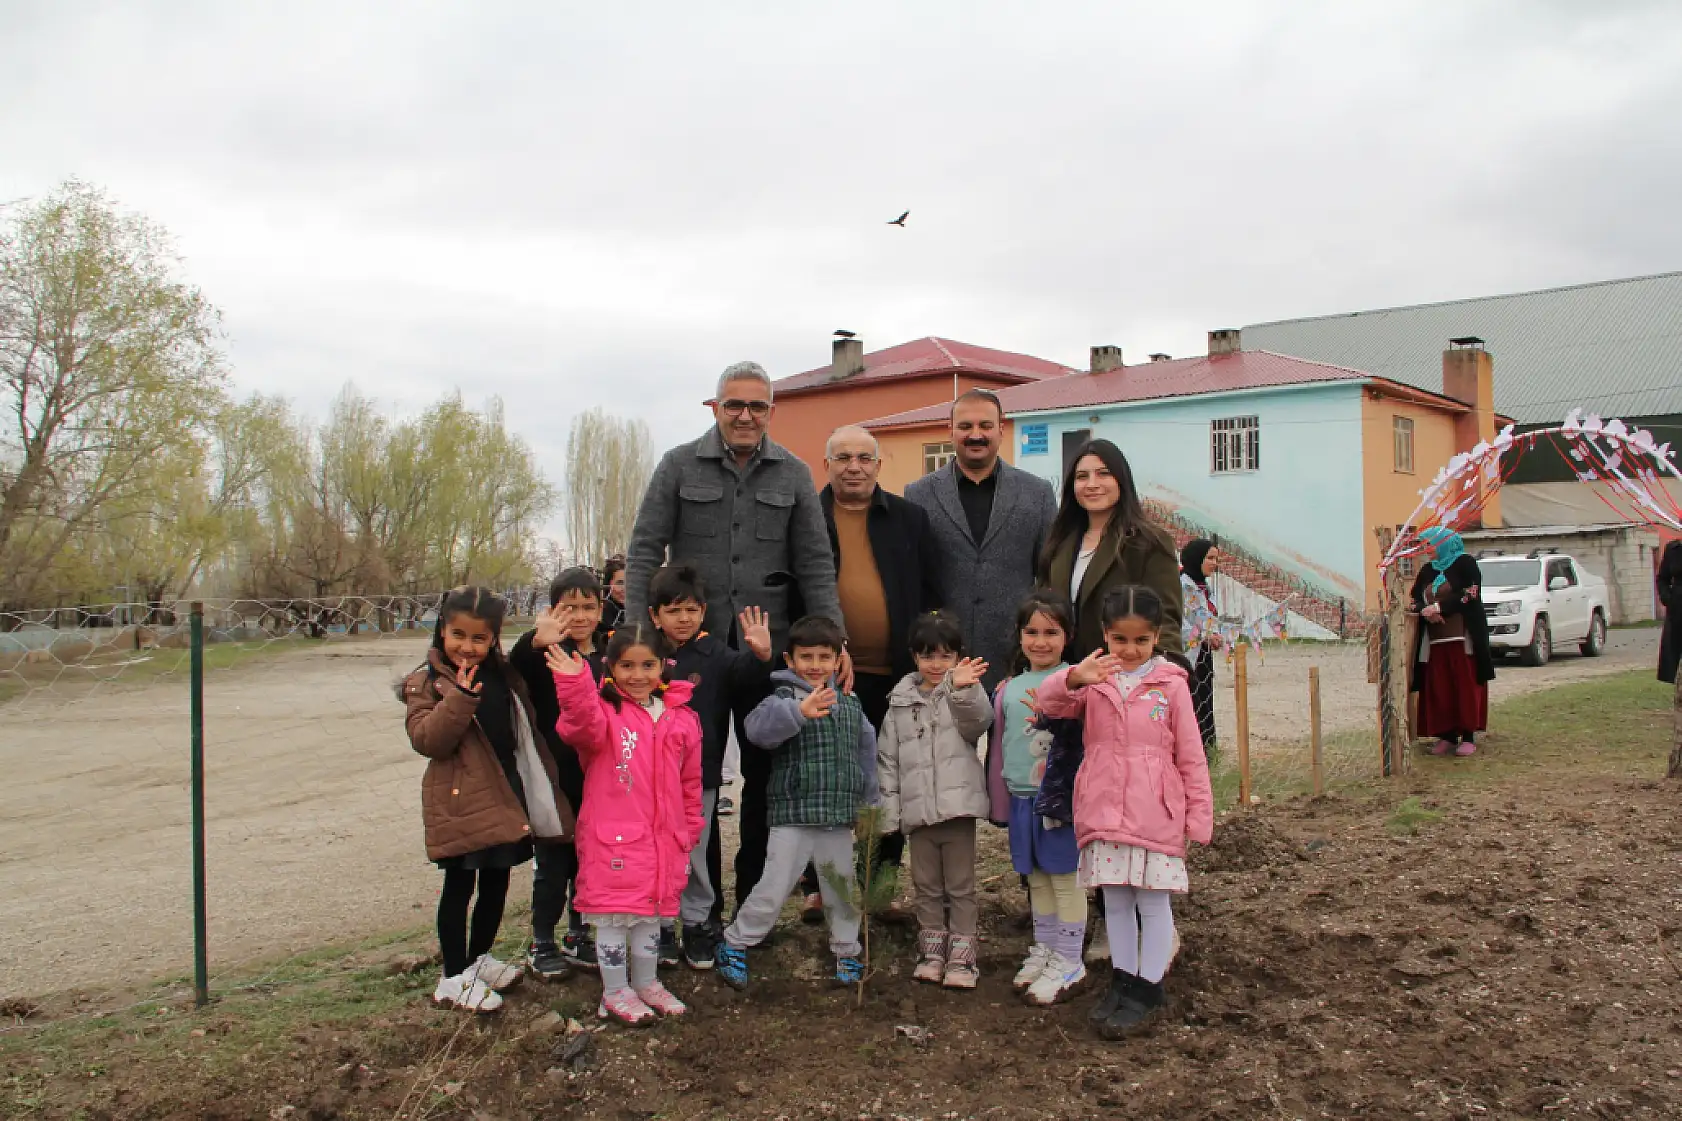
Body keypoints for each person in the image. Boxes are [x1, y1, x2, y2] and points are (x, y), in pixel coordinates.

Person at [624, 360, 846, 917]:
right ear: (715, 407)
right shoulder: (677, 466)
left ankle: (752, 905)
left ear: (772, 410)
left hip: (761, 654)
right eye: (734, 405)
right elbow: (646, 550)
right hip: (685, 655)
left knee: (764, 774)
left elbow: (816, 562)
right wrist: (638, 638)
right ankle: (690, 907)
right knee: (686, 777)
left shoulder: (793, 474)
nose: (745, 416)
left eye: (757, 406)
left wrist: (834, 638)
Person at [1033, 586, 1213, 1040]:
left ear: (1156, 638)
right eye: (1119, 640)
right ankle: (1124, 979)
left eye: (1140, 641)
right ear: (1105, 636)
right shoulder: (1094, 679)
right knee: (1115, 899)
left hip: (1155, 811)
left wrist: (1197, 817)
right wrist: (1074, 676)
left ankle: (1149, 987)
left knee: (1152, 902)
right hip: (1103, 809)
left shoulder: (1171, 685)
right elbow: (1048, 704)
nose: (1129, 651)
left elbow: (1191, 755)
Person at [402, 587, 574, 1014]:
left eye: (479, 638)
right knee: (460, 886)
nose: (467, 646)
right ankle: (453, 976)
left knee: (497, 881)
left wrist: (540, 636)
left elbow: (527, 664)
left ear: (493, 639)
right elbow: (428, 741)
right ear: (441, 630)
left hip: (504, 794)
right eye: (458, 635)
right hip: (463, 802)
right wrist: (459, 699)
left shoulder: (502, 673)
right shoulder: (427, 682)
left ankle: (479, 958)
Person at [797, 424, 943, 919]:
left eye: (864, 457)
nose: (853, 466)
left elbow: (931, 592)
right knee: (828, 779)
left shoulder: (909, 519)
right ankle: (821, 885)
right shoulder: (806, 518)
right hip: (823, 677)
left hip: (897, 675)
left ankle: (878, 884)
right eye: (843, 457)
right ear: (827, 465)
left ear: (879, 466)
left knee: (889, 780)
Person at [547, 620, 703, 1025]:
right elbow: (578, 725)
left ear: (663, 665)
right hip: (613, 840)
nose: (637, 676)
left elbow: (691, 781)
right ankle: (615, 990)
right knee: (614, 918)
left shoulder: (681, 717)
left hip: (662, 840)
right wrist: (574, 683)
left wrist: (688, 830)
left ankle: (647, 982)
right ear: (610, 666)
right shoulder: (603, 712)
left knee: (650, 915)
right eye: (627, 666)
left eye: (647, 665)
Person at [714, 615, 875, 991]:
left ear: (838, 660)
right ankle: (736, 942)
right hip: (794, 815)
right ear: (790, 660)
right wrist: (798, 714)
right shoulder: (781, 699)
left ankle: (847, 951)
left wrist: (869, 804)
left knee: (841, 888)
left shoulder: (850, 703)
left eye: (824, 657)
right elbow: (756, 731)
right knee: (774, 886)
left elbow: (866, 753)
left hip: (837, 816)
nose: (815, 665)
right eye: (807, 657)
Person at [641, 563, 774, 970]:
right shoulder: (643, 654)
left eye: (691, 610)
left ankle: (699, 922)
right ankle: (659, 924)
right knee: (653, 850)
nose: (683, 619)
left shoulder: (715, 654)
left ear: (703, 611)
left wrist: (761, 655)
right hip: (646, 775)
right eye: (673, 610)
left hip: (698, 774)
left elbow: (747, 677)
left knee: (696, 850)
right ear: (654, 615)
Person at [906, 389, 1057, 692]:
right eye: (965, 427)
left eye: (985, 426)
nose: (976, 435)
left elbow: (1050, 577)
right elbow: (913, 578)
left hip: (1015, 660)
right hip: (943, 661)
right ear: (950, 431)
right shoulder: (918, 495)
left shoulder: (1037, 494)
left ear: (1001, 430)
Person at [877, 611, 994, 989]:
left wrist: (961, 689)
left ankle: (962, 960)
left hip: (957, 810)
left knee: (960, 886)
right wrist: (889, 815)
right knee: (926, 886)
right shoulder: (899, 701)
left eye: (945, 655)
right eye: (928, 655)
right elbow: (888, 761)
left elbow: (980, 722)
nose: (936, 664)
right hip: (918, 812)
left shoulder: (964, 691)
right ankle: (931, 952)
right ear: (914, 657)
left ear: (958, 657)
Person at [985, 591, 1086, 1006]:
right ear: (1019, 636)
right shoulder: (1007, 688)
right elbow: (999, 749)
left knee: (1064, 879)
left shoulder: (1076, 682)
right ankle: (1044, 949)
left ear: (1067, 637)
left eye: (1051, 632)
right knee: (1038, 878)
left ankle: (1069, 959)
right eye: (1031, 632)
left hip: (1059, 803)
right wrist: (1000, 801)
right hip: (1022, 798)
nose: (1040, 641)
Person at [506, 568, 606, 979]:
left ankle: (578, 933)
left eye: (588, 606)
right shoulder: (544, 652)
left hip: (598, 774)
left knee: (589, 860)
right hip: (554, 775)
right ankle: (541, 939)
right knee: (553, 861)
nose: (580, 616)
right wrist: (535, 640)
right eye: (570, 607)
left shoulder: (609, 653)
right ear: (553, 611)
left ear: (602, 610)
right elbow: (515, 667)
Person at [1038, 438, 1183, 667]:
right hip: (1067, 679)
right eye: (1082, 476)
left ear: (1121, 480)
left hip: (1123, 678)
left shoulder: (1147, 542)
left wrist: (1160, 677)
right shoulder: (1058, 544)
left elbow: (1166, 620)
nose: (1092, 484)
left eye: (1103, 474)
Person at [1408, 526, 1495, 757]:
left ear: (1443, 543)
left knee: (1464, 684)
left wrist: (1440, 607)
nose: (1427, 550)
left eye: (1430, 544)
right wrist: (1425, 609)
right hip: (1436, 640)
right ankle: (1446, 735)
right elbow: (1415, 597)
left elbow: (1471, 593)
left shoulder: (1465, 563)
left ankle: (1467, 735)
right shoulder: (1428, 570)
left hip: (1462, 636)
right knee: (1440, 686)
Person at [1179, 539, 1223, 765]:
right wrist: (1202, 635)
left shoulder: (1205, 587)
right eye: (1210, 558)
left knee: (1206, 696)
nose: (1214, 563)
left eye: (1216, 559)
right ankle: (1192, 750)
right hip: (1188, 653)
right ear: (1197, 558)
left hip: (1204, 652)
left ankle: (1208, 744)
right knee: (1191, 698)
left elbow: (1208, 616)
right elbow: (1179, 621)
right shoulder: (1181, 585)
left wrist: (1215, 633)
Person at [1658, 541, 1682, 685]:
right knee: (1675, 655)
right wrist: (1667, 597)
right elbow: (1662, 578)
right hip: (1677, 608)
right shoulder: (1673, 549)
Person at [599, 556, 627, 636]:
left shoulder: (642, 614)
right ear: (608, 584)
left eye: (630, 582)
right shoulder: (601, 616)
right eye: (620, 583)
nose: (625, 589)